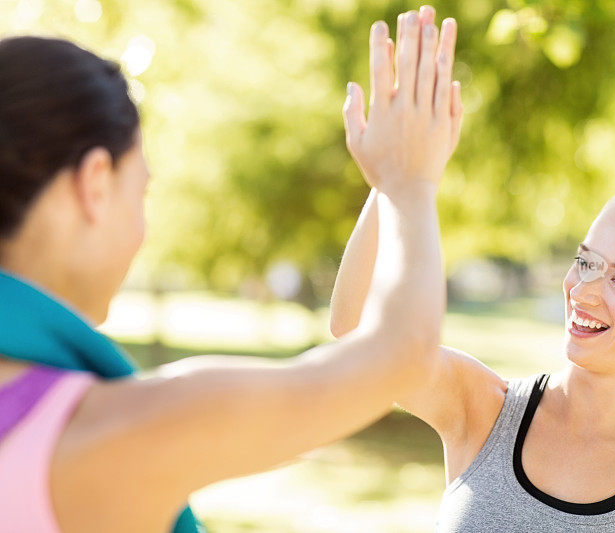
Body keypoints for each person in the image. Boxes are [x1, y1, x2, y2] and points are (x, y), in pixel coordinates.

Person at [0, 8, 462, 533]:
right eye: (141, 192)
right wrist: (410, 181)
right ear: (96, 183)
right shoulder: (106, 434)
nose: (141, 229)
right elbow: (398, 356)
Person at [331, 13, 615, 527]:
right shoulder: (484, 410)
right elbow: (355, 331)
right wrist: (397, 179)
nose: (584, 291)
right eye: (585, 262)